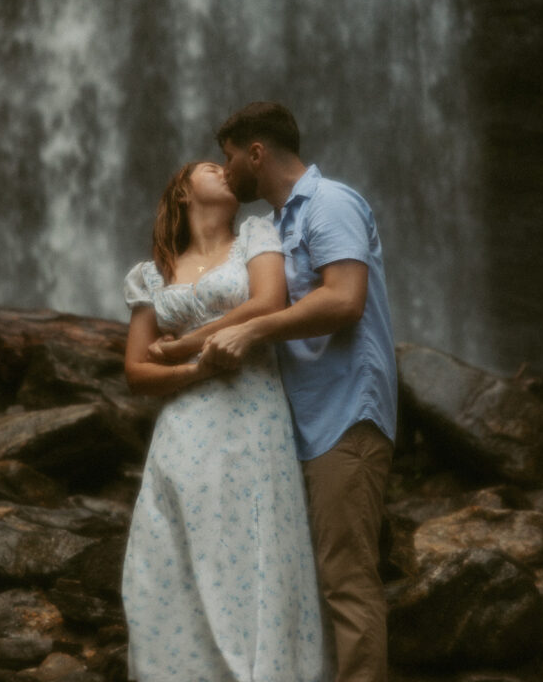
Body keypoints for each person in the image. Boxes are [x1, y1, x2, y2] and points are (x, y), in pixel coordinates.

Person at [155, 104, 398, 682]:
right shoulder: (279, 226)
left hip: (347, 414)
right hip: (307, 420)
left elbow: (344, 300)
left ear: (256, 154)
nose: (225, 167)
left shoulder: (329, 203)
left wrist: (251, 328)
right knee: (318, 576)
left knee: (346, 578)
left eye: (229, 156)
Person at [122, 159, 329, 682]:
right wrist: (197, 369)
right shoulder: (151, 273)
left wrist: (189, 342)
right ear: (183, 193)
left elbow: (268, 302)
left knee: (251, 546)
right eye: (210, 166)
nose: (223, 170)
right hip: (182, 427)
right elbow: (136, 370)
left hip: (251, 414)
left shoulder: (257, 236)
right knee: (172, 553)